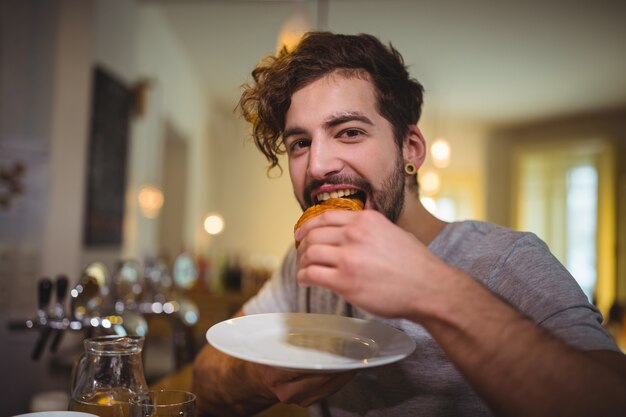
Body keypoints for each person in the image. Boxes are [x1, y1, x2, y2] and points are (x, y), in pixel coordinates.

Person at [193, 32, 626, 417]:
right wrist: (256, 374)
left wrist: (430, 287)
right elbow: (205, 379)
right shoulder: (306, 261)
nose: (318, 165)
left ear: (411, 150)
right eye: (300, 143)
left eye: (348, 132)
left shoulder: (507, 260)